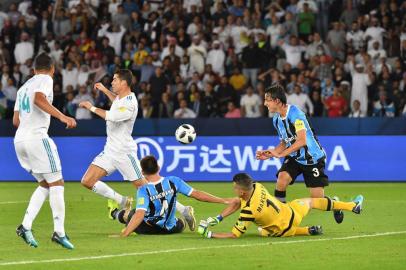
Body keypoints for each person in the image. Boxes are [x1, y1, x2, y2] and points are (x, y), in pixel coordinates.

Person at [79, 69, 195, 230]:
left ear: (124, 83)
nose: (111, 82)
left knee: (148, 189)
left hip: (124, 153)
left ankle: (184, 210)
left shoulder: (130, 104)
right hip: (110, 151)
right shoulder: (121, 99)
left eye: (114, 80)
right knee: (87, 181)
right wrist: (105, 90)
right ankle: (121, 201)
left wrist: (91, 107)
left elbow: (111, 116)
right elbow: (116, 103)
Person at [13, 53, 77, 249]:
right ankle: (59, 232)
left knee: (45, 185)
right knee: (57, 183)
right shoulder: (45, 79)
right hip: (36, 138)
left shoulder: (23, 87)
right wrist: (62, 116)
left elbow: (16, 121)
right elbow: (39, 99)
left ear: (33, 69)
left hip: (20, 140)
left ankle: (25, 226)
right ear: (52, 69)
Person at [255, 83, 344, 223]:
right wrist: (271, 153)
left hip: (312, 158)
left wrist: (282, 154)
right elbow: (285, 142)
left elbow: (302, 141)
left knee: (318, 201)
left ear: (277, 101)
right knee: (282, 179)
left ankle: (335, 204)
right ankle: (281, 218)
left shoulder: (296, 114)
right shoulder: (276, 119)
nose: (265, 103)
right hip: (295, 158)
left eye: (267, 99)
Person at [197, 173, 363, 239]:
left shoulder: (248, 211)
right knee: (313, 201)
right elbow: (236, 202)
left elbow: (234, 235)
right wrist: (218, 218)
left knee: (262, 231)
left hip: (284, 231)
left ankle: (306, 231)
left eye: (235, 187)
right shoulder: (258, 186)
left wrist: (209, 233)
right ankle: (351, 206)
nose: (234, 189)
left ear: (241, 191)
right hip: (292, 212)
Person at [111, 156, 229, 236]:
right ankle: (185, 213)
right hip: (172, 228)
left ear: (142, 172)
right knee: (181, 224)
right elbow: (197, 194)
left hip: (149, 229)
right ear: (158, 167)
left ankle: (115, 213)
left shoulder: (143, 190)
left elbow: (140, 215)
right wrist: (223, 200)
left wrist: (125, 233)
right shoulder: (173, 181)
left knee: (131, 214)